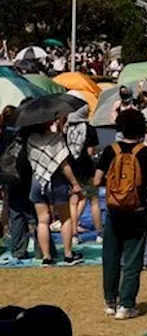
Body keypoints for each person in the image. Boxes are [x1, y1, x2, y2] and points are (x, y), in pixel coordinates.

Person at [95, 109, 147, 320]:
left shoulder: (109, 150)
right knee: (133, 258)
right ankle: (127, 304)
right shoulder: (146, 153)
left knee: (111, 256)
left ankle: (110, 301)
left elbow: (97, 180)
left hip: (114, 210)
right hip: (137, 210)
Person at [25, 120, 84, 265]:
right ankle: (68, 254)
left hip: (37, 180)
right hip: (56, 181)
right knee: (65, 218)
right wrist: (75, 183)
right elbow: (64, 164)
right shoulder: (55, 138)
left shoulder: (30, 140)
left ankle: (46, 257)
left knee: (42, 221)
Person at [2, 106, 35, 263]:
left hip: (8, 175)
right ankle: (44, 249)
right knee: (34, 214)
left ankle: (18, 249)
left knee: (16, 215)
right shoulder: (25, 132)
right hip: (26, 174)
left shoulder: (3, 134)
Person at [66, 106, 102, 243]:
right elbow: (90, 152)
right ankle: (99, 233)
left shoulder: (66, 129)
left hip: (72, 169)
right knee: (94, 201)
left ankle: (74, 234)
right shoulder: (89, 129)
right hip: (87, 168)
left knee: (73, 202)